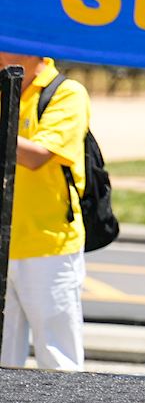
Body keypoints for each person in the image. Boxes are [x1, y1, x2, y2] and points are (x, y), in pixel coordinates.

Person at [0, 52, 89, 370]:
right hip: (4, 245)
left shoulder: (66, 93)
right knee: (3, 361)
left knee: (58, 360)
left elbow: (37, 156)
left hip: (48, 247)